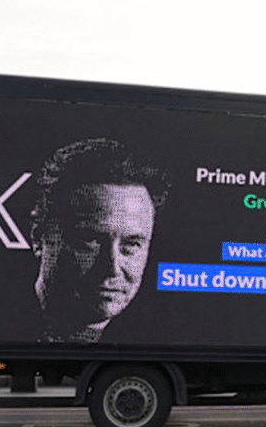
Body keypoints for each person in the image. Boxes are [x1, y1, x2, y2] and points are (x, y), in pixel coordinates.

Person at [30, 138, 169, 343]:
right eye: (90, 240)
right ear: (39, 237)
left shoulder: (152, 337)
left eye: (131, 244)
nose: (112, 268)